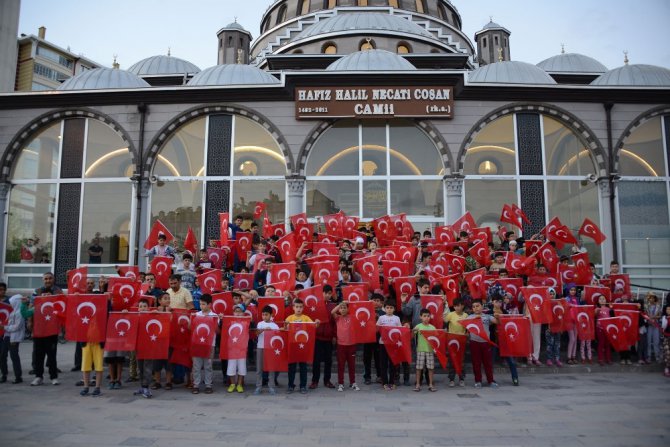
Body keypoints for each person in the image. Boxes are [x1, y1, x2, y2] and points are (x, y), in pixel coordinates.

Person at [26, 272, 62, 385]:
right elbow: (31, 307)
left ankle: (53, 377)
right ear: (43, 280)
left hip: (52, 328)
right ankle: (38, 376)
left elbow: (62, 308)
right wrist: (30, 321)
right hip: (39, 328)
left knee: (52, 354)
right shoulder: (37, 292)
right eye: (46, 279)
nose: (48, 280)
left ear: (53, 279)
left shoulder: (58, 292)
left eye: (50, 278)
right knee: (38, 354)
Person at [285, 298, 318, 394]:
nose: (298, 309)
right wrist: (286, 325)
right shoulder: (289, 318)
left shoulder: (306, 318)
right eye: (297, 307)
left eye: (300, 307)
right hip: (292, 345)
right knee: (292, 367)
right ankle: (290, 385)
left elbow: (314, 326)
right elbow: (285, 329)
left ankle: (303, 386)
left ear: (303, 308)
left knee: (303, 367)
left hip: (303, 345)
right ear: (293, 308)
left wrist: (317, 322)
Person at [466, 299, 498, 388]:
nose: (476, 308)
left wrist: (497, 316)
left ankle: (490, 380)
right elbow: (463, 325)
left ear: (482, 306)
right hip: (474, 342)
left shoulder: (487, 317)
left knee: (488, 363)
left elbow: (497, 322)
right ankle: (478, 381)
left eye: (477, 306)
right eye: (473, 307)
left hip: (486, 342)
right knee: (476, 363)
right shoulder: (469, 317)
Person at [310, 284, 337, 390]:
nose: (327, 295)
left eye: (329, 293)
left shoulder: (333, 306)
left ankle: (327, 380)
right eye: (325, 293)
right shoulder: (314, 305)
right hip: (317, 337)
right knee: (316, 361)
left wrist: (334, 336)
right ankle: (314, 381)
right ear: (321, 293)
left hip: (328, 338)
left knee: (328, 361)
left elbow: (335, 323)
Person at [192, 294, 218, 394]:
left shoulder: (214, 316)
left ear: (209, 305)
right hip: (197, 343)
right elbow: (191, 328)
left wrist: (218, 319)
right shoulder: (197, 315)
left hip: (210, 344)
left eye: (203, 304)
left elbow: (217, 331)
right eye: (200, 304)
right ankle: (196, 385)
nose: (201, 306)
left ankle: (208, 385)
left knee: (208, 365)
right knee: (196, 365)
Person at [331, 302, 360, 392]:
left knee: (352, 365)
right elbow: (332, 312)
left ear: (348, 309)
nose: (343, 309)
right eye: (341, 308)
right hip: (341, 346)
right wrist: (341, 304)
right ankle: (341, 383)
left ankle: (353, 382)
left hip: (351, 345)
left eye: (345, 308)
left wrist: (349, 303)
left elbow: (358, 310)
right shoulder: (338, 318)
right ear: (339, 309)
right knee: (341, 365)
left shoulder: (352, 317)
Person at [377, 300, 402, 391]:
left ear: (394, 309)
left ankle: (391, 382)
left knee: (392, 363)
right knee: (383, 364)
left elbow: (400, 330)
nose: (389, 309)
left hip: (393, 344)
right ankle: (384, 382)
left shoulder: (397, 318)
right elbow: (377, 328)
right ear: (384, 308)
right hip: (383, 343)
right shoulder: (381, 318)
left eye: (391, 308)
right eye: (387, 308)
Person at [443, 297, 468, 387]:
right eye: (455, 306)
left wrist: (467, 333)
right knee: (451, 360)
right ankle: (451, 379)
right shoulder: (450, 314)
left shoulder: (466, 315)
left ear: (463, 306)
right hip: (452, 341)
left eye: (459, 306)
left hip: (461, 341)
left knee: (461, 360)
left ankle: (461, 378)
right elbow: (444, 321)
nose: (457, 308)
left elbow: (468, 327)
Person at [254, 305, 279, 395]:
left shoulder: (275, 325)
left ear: (271, 315)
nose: (264, 316)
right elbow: (256, 333)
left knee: (271, 368)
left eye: (266, 315)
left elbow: (277, 337)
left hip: (270, 348)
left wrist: (271, 330)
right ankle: (258, 386)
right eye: (263, 315)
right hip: (260, 347)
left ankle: (271, 386)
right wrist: (263, 330)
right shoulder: (260, 324)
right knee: (259, 368)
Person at [0, 295, 25, 384]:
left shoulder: (20, 313)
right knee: (2, 355)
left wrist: (4, 327)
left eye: (11, 303)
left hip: (14, 338)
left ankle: (18, 377)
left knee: (14, 357)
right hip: (7, 336)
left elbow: (16, 327)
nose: (10, 304)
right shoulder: (10, 312)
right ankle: (4, 374)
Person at [150, 292, 173, 391]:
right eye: (165, 298)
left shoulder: (172, 311)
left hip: (169, 340)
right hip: (157, 340)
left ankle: (168, 382)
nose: (168, 300)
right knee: (157, 362)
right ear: (159, 301)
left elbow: (172, 322)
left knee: (169, 363)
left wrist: (169, 313)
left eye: (169, 298)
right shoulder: (155, 311)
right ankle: (157, 381)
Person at [133, 298, 154, 398]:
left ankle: (146, 387)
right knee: (140, 367)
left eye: (144, 306)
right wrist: (124, 313)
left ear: (148, 308)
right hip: (138, 346)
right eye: (140, 307)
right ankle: (142, 386)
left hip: (149, 346)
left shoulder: (152, 316)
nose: (142, 308)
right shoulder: (135, 317)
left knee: (147, 367)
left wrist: (157, 312)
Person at [363, 292, 385, 385]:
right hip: (367, 338)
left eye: (378, 301)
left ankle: (379, 376)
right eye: (374, 300)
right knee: (366, 358)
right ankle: (367, 377)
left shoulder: (384, 313)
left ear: (381, 303)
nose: (376, 302)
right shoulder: (365, 311)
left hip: (378, 338)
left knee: (378, 358)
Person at [413, 308, 436, 392]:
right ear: (420, 317)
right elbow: (411, 336)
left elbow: (436, 339)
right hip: (420, 350)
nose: (426, 318)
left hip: (430, 350)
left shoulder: (432, 327)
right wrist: (413, 331)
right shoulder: (418, 326)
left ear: (430, 317)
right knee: (419, 368)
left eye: (428, 316)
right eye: (424, 316)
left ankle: (430, 384)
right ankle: (418, 384)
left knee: (430, 368)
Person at [227, 304, 248, 394]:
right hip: (232, 349)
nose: (238, 314)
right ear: (233, 313)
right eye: (236, 312)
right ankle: (232, 384)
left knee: (241, 367)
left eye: (240, 312)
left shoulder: (246, 323)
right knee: (231, 367)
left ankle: (239, 384)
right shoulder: (230, 322)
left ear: (243, 313)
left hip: (242, 349)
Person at [545, 288, 562, 367]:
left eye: (553, 294)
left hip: (557, 327)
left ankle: (557, 359)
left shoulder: (558, 303)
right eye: (550, 294)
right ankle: (549, 359)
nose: (551, 295)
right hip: (549, 327)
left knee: (557, 344)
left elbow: (561, 315)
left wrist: (561, 327)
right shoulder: (546, 303)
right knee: (550, 344)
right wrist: (548, 326)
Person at [595, 295, 614, 366]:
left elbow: (612, 316)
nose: (602, 300)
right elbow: (594, 314)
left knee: (608, 344)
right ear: (598, 301)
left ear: (606, 300)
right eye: (600, 299)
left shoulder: (609, 308)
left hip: (608, 328)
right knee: (601, 343)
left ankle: (608, 359)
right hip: (600, 328)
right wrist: (596, 311)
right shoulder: (597, 308)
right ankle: (600, 359)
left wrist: (612, 308)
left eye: (603, 299)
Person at [645, 293, 662, 363]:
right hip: (649, 325)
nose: (651, 299)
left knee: (656, 341)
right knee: (648, 341)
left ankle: (657, 356)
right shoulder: (647, 306)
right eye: (650, 298)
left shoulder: (658, 306)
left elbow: (660, 316)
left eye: (653, 298)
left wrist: (653, 317)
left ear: (655, 299)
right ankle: (648, 357)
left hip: (656, 326)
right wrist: (649, 318)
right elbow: (645, 315)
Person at [661, 304, 670, 377]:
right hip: (666, 337)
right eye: (667, 309)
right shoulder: (664, 318)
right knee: (667, 353)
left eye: (669, 309)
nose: (668, 311)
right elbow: (663, 327)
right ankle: (666, 369)